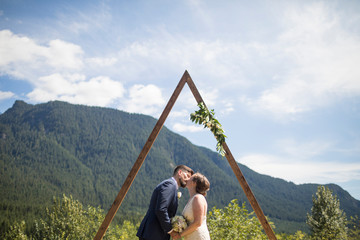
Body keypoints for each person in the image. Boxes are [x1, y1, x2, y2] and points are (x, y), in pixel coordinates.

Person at [137, 165, 194, 240]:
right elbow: (161, 210)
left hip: (155, 234)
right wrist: (171, 231)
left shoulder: (171, 186)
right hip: (153, 234)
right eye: (187, 176)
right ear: (180, 172)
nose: (188, 180)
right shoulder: (169, 185)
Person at [173, 172, 211, 240]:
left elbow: (198, 222)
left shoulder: (198, 198)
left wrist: (180, 235)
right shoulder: (193, 198)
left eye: (190, 178)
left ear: (194, 183)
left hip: (198, 236)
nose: (187, 179)